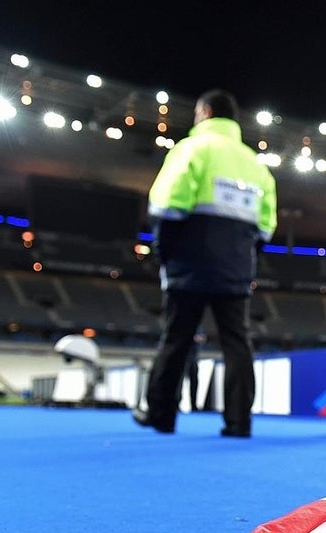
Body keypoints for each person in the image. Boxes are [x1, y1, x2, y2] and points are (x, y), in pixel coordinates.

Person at [132, 89, 276, 437]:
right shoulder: (255, 164)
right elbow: (267, 225)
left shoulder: (191, 149)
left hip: (189, 261)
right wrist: (244, 257)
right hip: (236, 267)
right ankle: (239, 422)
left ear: (205, 112)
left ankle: (161, 415)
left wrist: (163, 254)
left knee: (176, 338)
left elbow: (167, 205)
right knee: (236, 343)